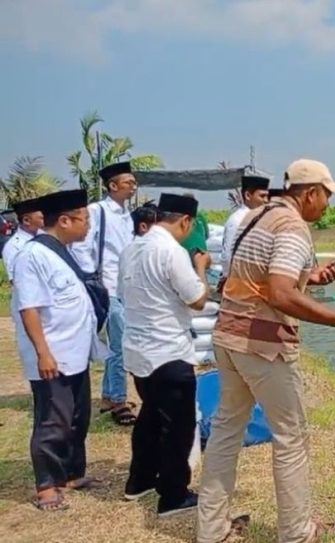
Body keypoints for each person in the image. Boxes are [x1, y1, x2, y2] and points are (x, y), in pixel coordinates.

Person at [196, 159, 335, 543]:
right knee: (291, 436)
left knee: (227, 431)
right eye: (326, 196)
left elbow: (257, 277)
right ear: (310, 193)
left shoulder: (256, 216)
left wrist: (309, 276)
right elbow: (279, 294)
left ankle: (211, 531)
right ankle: (297, 533)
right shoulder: (293, 226)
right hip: (261, 345)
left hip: (228, 337)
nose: (328, 205)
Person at [119, 193, 211, 517]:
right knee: (178, 427)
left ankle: (140, 481)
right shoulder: (171, 251)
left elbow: (124, 293)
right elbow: (197, 299)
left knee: (151, 418)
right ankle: (173, 495)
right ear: (186, 221)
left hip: (139, 351)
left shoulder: (133, 247)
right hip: (168, 351)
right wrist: (200, 267)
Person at [13, 189, 105, 512]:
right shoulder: (32, 256)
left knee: (78, 417)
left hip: (75, 354)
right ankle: (47, 486)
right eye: (85, 219)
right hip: (53, 354)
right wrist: (43, 352)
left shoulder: (63, 251)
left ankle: (70, 473)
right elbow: (29, 309)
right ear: (64, 221)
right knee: (53, 420)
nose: (88, 226)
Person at [70, 160, 138, 426]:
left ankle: (109, 394)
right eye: (128, 182)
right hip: (106, 286)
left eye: (133, 182)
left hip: (124, 285)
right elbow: (81, 246)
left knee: (117, 343)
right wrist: (91, 278)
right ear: (112, 185)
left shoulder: (125, 214)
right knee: (120, 344)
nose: (133, 186)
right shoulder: (97, 211)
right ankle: (120, 400)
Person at [218, 174, 270, 288]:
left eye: (267, 196)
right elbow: (228, 256)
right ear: (247, 195)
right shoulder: (237, 221)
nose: (266, 201)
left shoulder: (258, 217)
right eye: (262, 196)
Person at [2, 196, 44, 283]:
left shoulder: (47, 237)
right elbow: (17, 282)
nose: (46, 221)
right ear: (26, 220)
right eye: (42, 218)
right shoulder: (14, 247)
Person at [179, 192, 209, 257]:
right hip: (202, 254)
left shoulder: (178, 218)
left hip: (186, 255)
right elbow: (206, 236)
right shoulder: (200, 216)